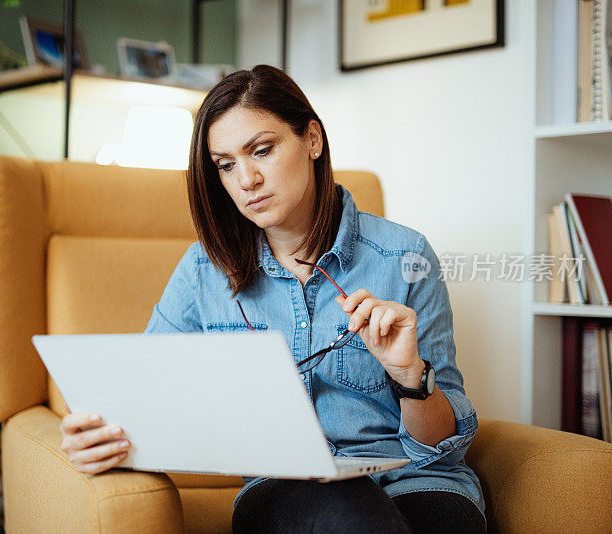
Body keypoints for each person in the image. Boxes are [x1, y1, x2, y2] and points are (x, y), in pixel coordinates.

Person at [59, 64, 486, 533]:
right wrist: (100, 437)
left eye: (261, 150)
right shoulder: (204, 271)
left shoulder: (404, 256)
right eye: (225, 164)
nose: (246, 180)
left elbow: (444, 445)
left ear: (312, 140)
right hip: (287, 489)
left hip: (416, 480)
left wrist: (410, 375)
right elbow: (144, 401)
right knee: (341, 514)